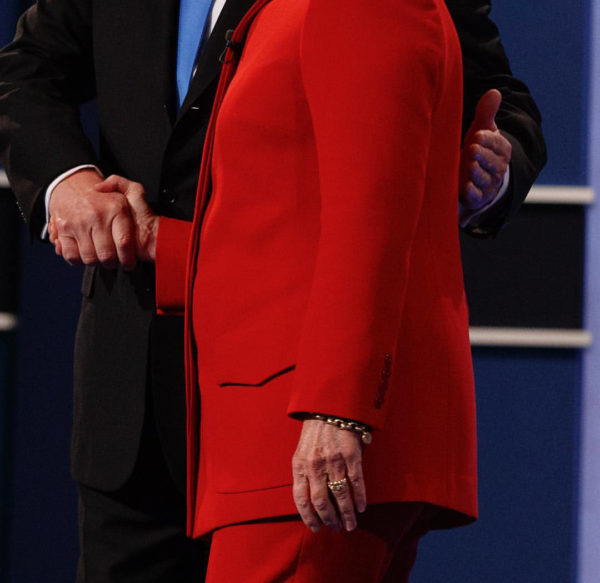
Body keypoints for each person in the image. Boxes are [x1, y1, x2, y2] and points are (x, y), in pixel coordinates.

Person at [0, 0, 546, 580]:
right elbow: (28, 69)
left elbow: (370, 216)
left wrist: (339, 409)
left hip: (293, 408)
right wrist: (68, 186)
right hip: (134, 396)